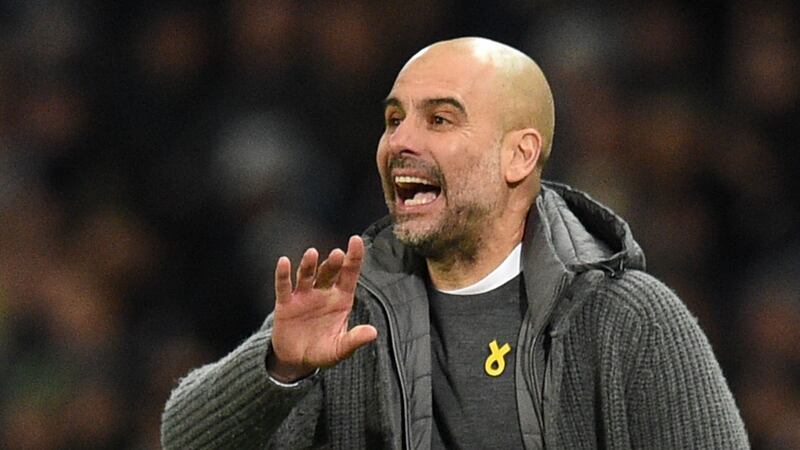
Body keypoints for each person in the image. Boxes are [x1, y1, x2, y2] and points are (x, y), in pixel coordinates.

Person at [161, 37, 748, 449]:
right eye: (394, 120)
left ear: (518, 155)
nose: (400, 142)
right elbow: (184, 440)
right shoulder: (353, 312)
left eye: (439, 120)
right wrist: (280, 366)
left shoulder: (629, 319)